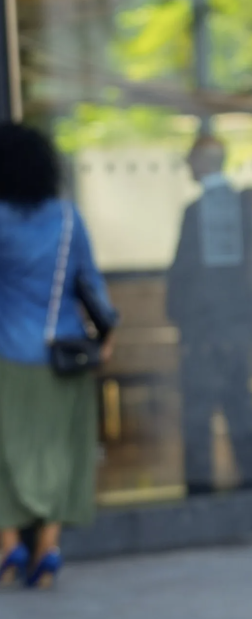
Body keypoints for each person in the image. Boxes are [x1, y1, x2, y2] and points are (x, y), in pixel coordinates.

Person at [0, 122, 118, 588]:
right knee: (61, 452)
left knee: (6, 452)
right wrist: (106, 335)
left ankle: (9, 545)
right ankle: (48, 548)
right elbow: (91, 284)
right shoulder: (68, 218)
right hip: (60, 355)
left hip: (7, 355)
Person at [166, 133, 252, 495]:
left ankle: (201, 491)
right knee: (239, 405)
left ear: (202, 162)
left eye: (191, 159)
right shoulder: (240, 207)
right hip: (235, 325)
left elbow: (183, 272)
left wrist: (180, 317)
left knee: (199, 411)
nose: (187, 166)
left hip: (203, 330)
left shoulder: (196, 212)